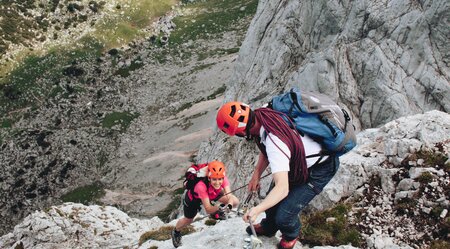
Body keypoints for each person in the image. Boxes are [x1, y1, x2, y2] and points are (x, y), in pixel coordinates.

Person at [216, 102, 340, 249]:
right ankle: (269, 227)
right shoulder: (264, 114)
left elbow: (282, 189)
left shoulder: (274, 141)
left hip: (321, 168)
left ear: (242, 132)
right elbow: (265, 148)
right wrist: (256, 174)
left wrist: (256, 209)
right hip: (299, 163)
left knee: (284, 216)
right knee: (271, 204)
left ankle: (291, 235)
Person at [171, 160, 240, 248]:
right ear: (209, 178)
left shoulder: (222, 178)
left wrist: (229, 205)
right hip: (194, 199)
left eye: (220, 179)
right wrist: (218, 208)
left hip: (212, 192)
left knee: (235, 201)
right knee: (188, 220)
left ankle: (218, 212)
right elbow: (208, 209)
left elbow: (229, 196)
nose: (218, 182)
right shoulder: (200, 186)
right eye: (214, 179)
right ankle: (176, 232)